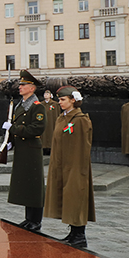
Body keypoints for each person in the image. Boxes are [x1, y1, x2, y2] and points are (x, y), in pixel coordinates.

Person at [44, 85, 94, 248]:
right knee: (68, 199)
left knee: (76, 198)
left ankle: (80, 235)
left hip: (75, 167)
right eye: (59, 99)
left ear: (73, 100)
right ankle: (73, 233)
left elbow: (83, 147)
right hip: (62, 166)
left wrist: (78, 168)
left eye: (63, 100)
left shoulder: (80, 120)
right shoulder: (61, 118)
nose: (60, 102)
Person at [5, 69, 46, 232]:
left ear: (32, 88)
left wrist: (14, 129)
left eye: (23, 85)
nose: (20, 87)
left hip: (31, 150)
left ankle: (36, 220)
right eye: (20, 85)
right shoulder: (20, 105)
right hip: (22, 150)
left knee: (34, 186)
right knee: (27, 186)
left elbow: (37, 128)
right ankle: (29, 218)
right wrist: (10, 143)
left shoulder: (37, 107)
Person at [40, 89, 61, 154]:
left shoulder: (55, 104)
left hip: (52, 123)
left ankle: (51, 148)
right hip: (44, 123)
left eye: (47, 94)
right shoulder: (41, 104)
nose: (45, 95)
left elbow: (57, 113)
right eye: (45, 94)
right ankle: (43, 148)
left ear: (50, 95)